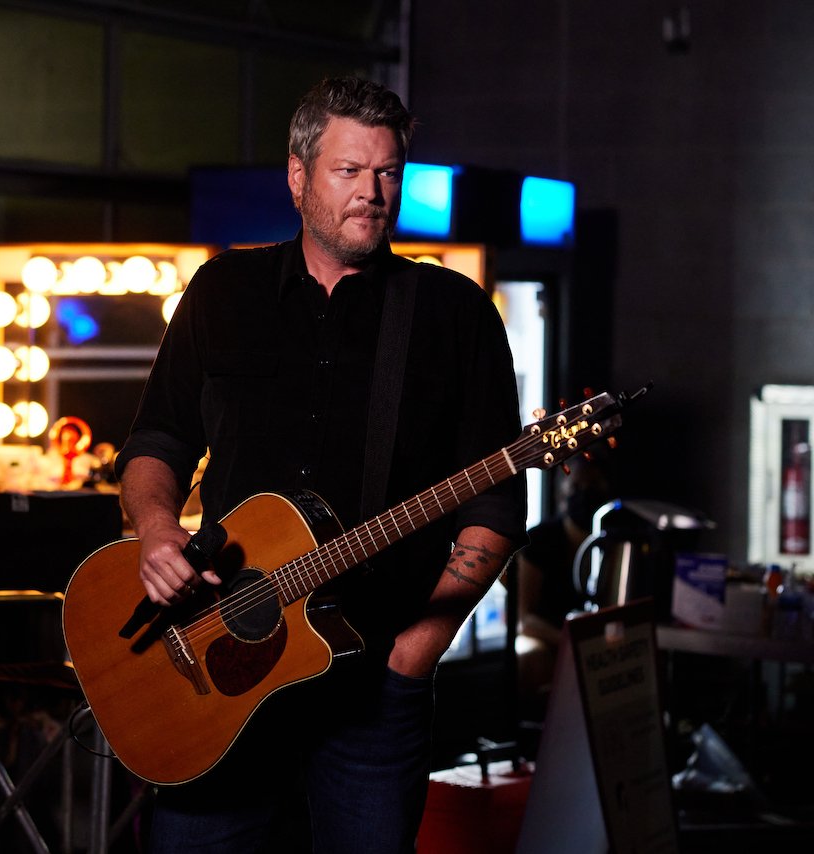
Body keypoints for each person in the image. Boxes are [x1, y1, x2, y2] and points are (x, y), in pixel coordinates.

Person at [113, 76, 527, 853]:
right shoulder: (221, 291)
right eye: (349, 171)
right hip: (219, 664)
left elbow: (498, 505)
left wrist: (417, 650)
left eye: (389, 172)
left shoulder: (452, 313)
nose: (373, 193)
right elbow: (157, 441)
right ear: (299, 177)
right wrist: (159, 532)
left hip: (372, 694)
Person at [513, 461, 611, 720]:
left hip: (597, 636)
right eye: (577, 486)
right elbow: (523, 619)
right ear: (561, 494)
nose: (585, 493)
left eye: (593, 486)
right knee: (529, 658)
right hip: (551, 636)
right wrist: (567, 640)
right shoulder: (539, 541)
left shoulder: (614, 540)